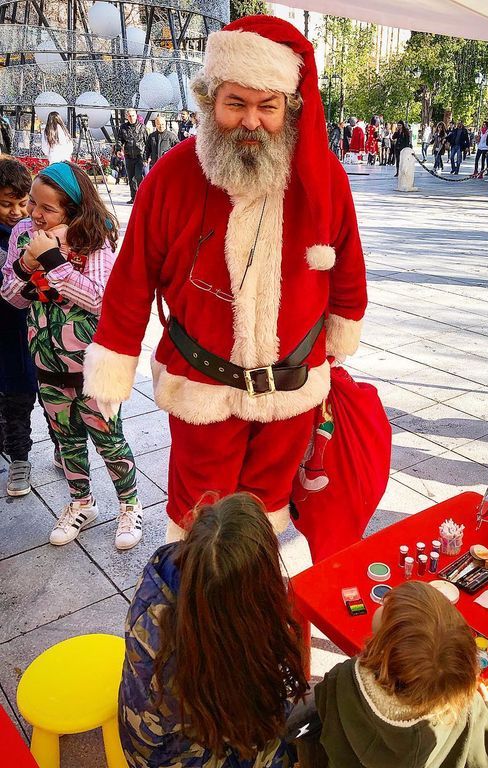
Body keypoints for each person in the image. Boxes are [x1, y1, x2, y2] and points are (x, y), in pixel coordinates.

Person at [82, 16, 368, 544]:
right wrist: (115, 356)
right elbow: (131, 276)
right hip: (202, 387)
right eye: (236, 103)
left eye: (268, 106)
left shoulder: (324, 177)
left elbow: (347, 262)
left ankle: (251, 600)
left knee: (265, 516)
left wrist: (343, 323)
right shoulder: (171, 175)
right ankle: (195, 610)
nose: (251, 122)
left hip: (292, 389)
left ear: (290, 107)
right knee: (199, 523)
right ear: (210, 100)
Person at [1, 162, 143, 550]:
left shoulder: (96, 238)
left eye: (47, 208)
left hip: (93, 360)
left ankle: (130, 504)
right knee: (66, 438)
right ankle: (82, 502)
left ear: (73, 209)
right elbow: (11, 296)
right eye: (33, 203)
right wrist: (26, 264)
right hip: (46, 358)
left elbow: (98, 298)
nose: (34, 214)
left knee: (108, 437)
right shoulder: (22, 234)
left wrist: (53, 262)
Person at [119, 492, 308, 768]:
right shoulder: (208, 651)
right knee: (292, 735)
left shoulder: (166, 567)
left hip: (144, 740)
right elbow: (249, 728)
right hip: (179, 756)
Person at [297, 581, 488, 768]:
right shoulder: (467, 707)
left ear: (383, 648)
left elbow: (323, 715)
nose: (381, 607)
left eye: (385, 607)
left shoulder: (343, 678)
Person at [0, 158, 38, 496]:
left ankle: (62, 445)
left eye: (23, 202)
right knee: (16, 398)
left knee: (52, 395)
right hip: (7, 333)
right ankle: (20, 457)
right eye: (6, 203)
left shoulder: (33, 231)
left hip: (39, 330)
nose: (16, 211)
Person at [118, 109, 147, 204]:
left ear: (136, 115)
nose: (131, 118)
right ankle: (134, 197)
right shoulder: (123, 127)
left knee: (138, 176)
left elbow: (146, 142)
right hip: (129, 156)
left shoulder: (142, 127)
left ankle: (142, 196)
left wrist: (147, 157)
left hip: (140, 155)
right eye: (129, 116)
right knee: (131, 178)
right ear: (127, 116)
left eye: (133, 115)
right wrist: (118, 150)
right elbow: (119, 140)